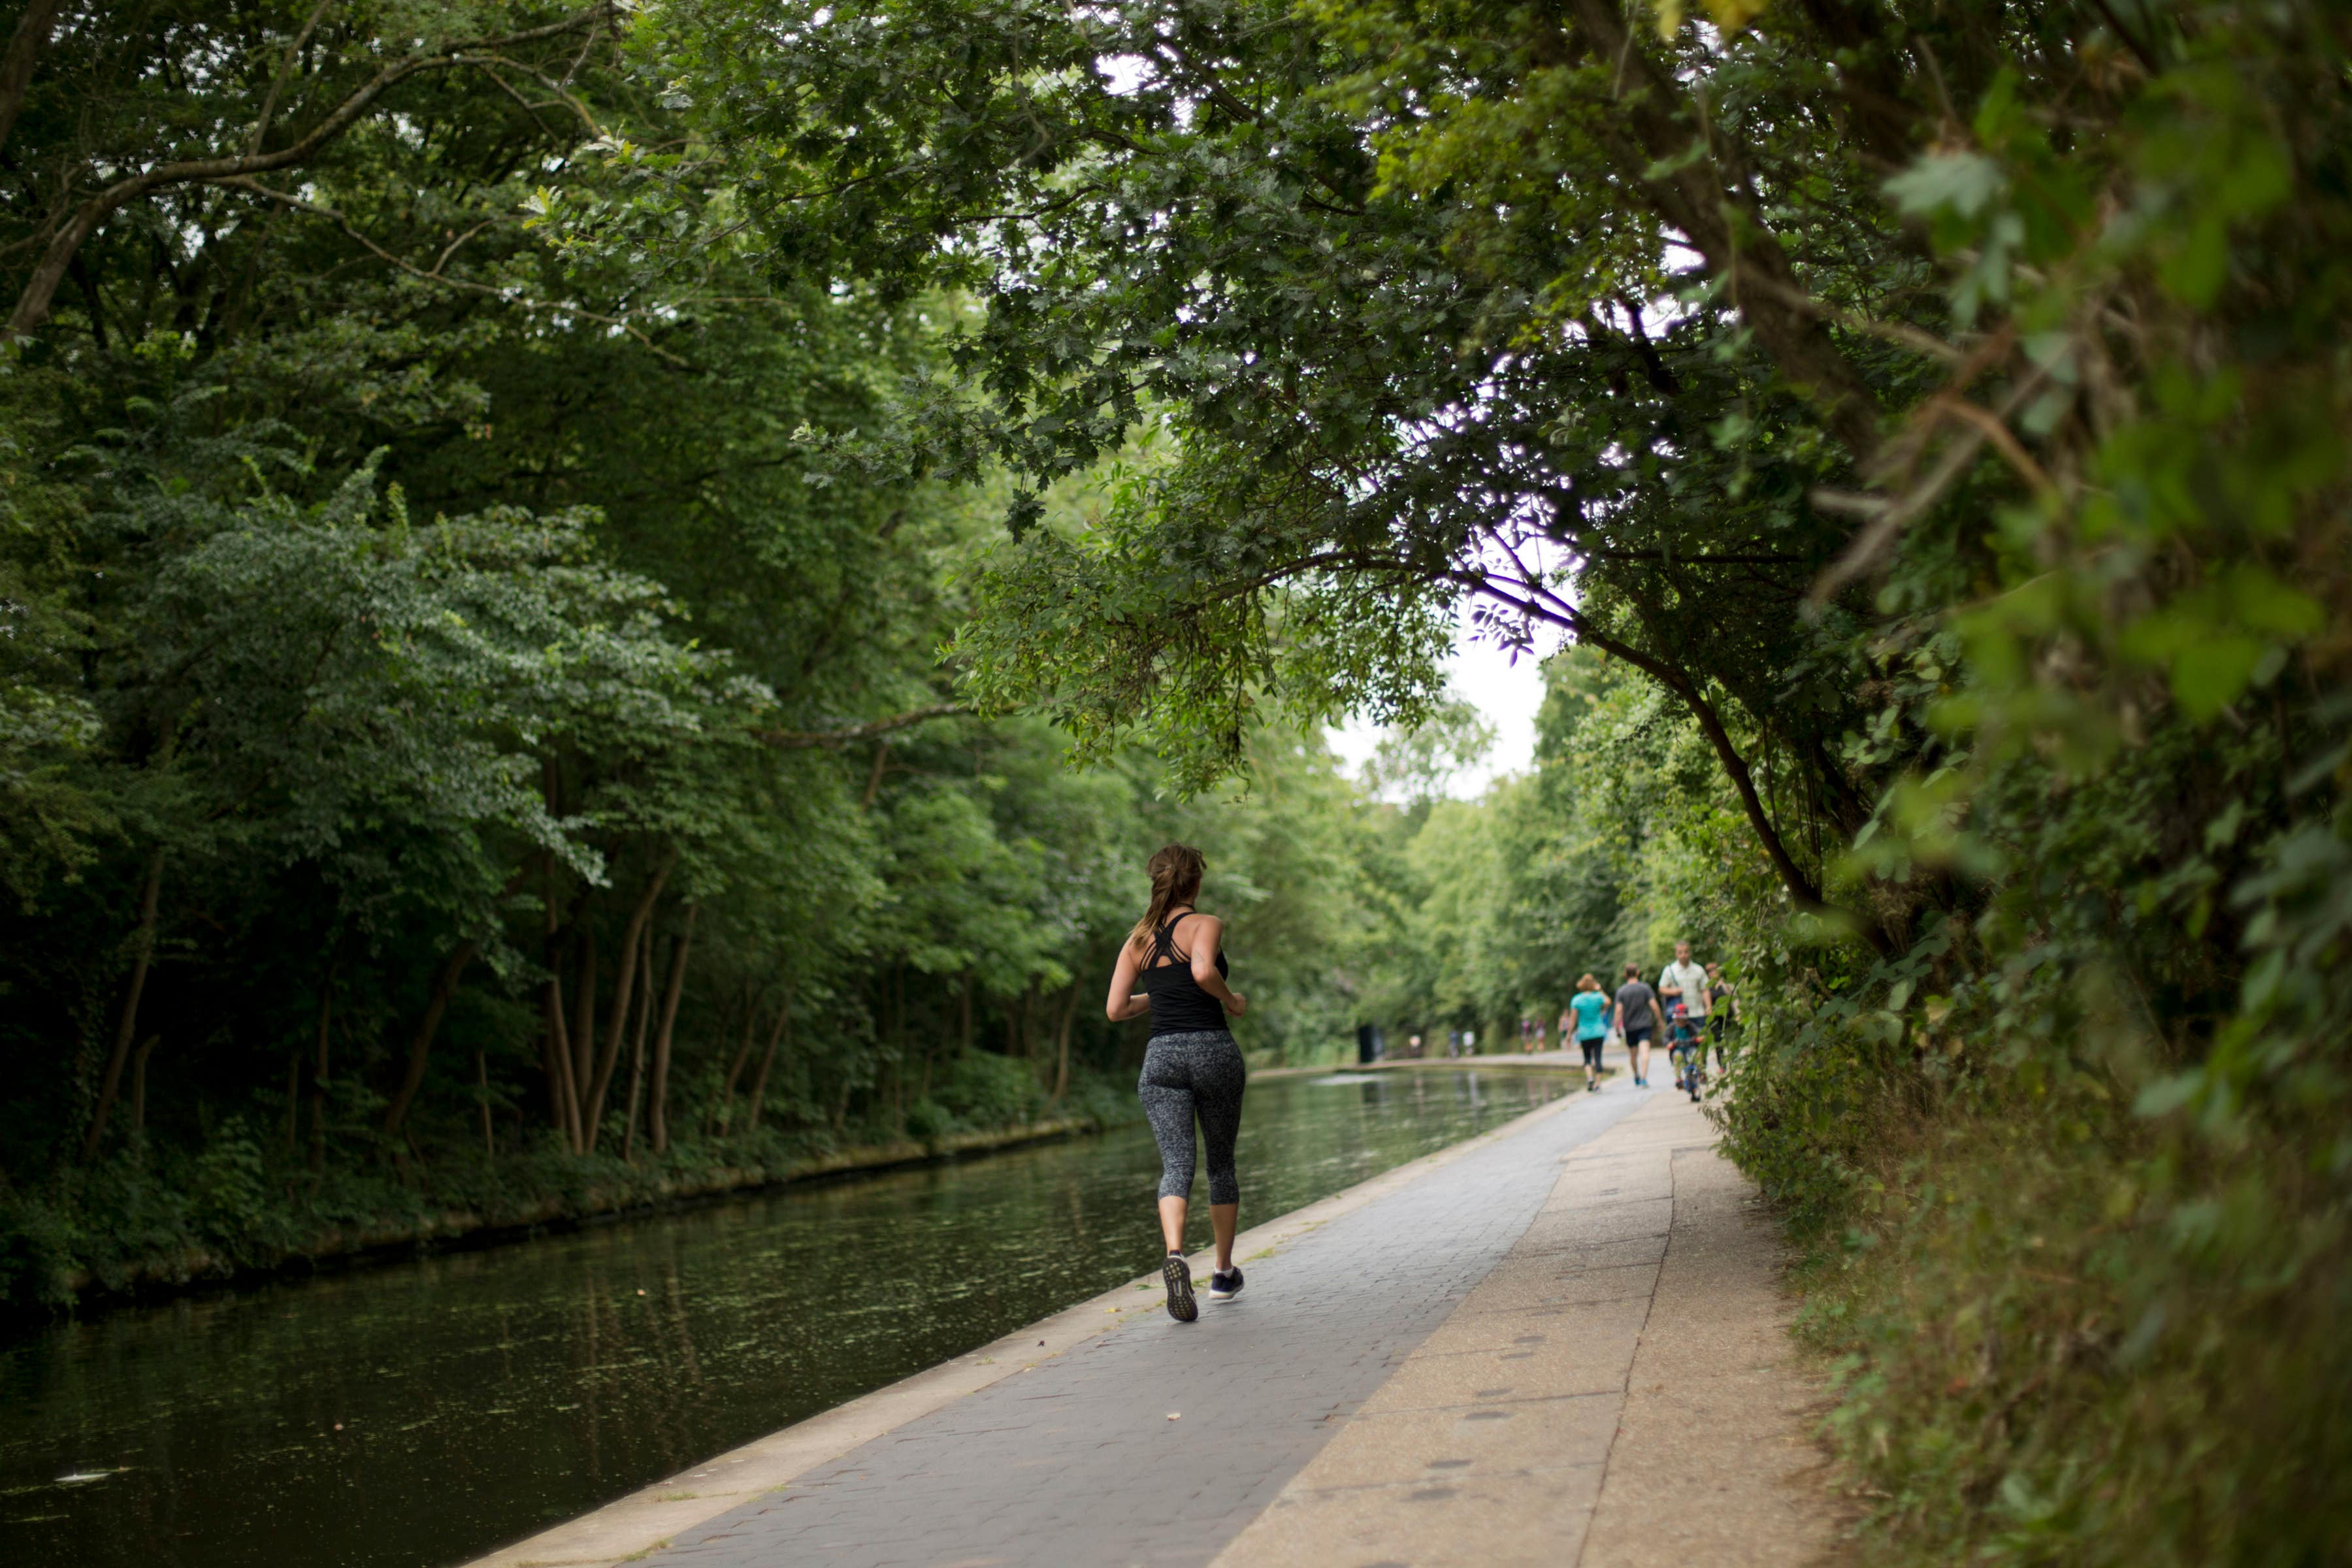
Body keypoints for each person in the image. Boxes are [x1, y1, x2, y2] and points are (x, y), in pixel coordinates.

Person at [1104, 843, 1250, 1322]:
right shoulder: (1205, 924)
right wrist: (1231, 999)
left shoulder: (1138, 940)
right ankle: (1223, 1273)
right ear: (1196, 883)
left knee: (1176, 1165)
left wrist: (1160, 995)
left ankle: (1173, 1255)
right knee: (1221, 1164)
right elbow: (1204, 970)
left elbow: (1117, 1009)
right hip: (1211, 1050)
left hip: (1161, 1059)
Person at [1612, 963, 1661, 1088]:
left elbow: (1618, 1011)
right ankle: (1644, 1079)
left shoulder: (1621, 991)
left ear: (1625, 975)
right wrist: (1660, 1020)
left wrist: (1617, 1028)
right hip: (1644, 1024)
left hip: (1630, 1027)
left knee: (1633, 1054)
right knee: (1645, 1052)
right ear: (1638, 972)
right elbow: (1654, 1006)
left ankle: (1637, 1076)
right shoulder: (1645, 988)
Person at [1564, 974, 1610, 1092]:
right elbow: (1608, 1002)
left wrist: (1569, 1035)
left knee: (1587, 1058)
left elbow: (1573, 1019)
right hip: (1598, 1031)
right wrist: (1600, 989)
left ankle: (1590, 1078)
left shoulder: (1577, 999)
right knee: (1598, 1058)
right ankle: (1598, 1085)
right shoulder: (1598, 997)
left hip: (1584, 1033)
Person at [1659, 940, 1708, 1034]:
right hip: (1679, 1015)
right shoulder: (1669, 970)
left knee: (1700, 1042)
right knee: (1680, 1044)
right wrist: (1674, 992)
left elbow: (1705, 990)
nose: (1683, 955)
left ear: (1689, 952)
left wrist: (1709, 1007)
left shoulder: (1698, 969)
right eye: (1680, 952)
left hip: (1697, 1013)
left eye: (1686, 952)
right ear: (1676, 954)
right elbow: (1661, 989)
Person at [1665, 999, 1705, 1102]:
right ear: (1674, 1019)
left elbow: (1698, 1032)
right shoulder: (1672, 1028)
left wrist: (1699, 1037)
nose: (1681, 1022)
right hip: (1679, 1050)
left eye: (1683, 1020)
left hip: (1690, 1048)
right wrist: (1669, 1043)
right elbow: (1665, 1038)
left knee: (1697, 1055)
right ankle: (1678, 1078)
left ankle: (1702, 1073)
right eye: (1678, 1020)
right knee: (1677, 1057)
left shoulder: (1690, 1026)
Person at [1705, 962, 1740, 1073]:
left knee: (1731, 1038)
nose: (1713, 972)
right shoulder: (1707, 987)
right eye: (1710, 970)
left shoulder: (1726, 985)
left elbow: (1735, 999)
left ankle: (1735, 1060)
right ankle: (1722, 1065)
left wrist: (1738, 1014)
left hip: (1727, 1016)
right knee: (1718, 1040)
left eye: (1715, 969)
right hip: (1714, 1018)